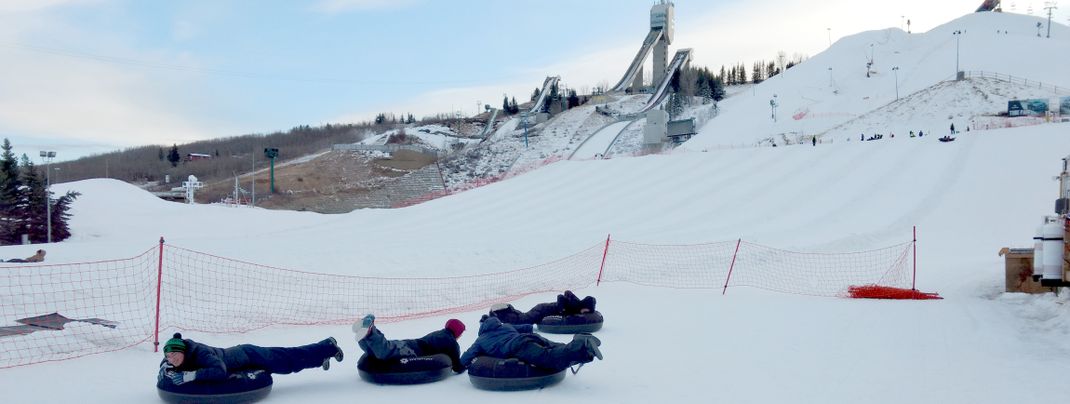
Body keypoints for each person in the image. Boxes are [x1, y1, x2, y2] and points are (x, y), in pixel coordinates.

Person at [158, 332, 344, 385]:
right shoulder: (178, 357)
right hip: (244, 356)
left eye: (174, 354)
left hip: (249, 355)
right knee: (289, 359)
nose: (171, 359)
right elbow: (165, 364)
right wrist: (165, 369)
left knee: (288, 361)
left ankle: (328, 346)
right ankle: (321, 357)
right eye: (168, 356)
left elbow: (219, 370)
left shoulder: (201, 353)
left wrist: (191, 376)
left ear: (182, 351)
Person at [460, 316, 601, 372]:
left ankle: (581, 344)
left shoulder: (481, 340)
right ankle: (583, 347)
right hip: (530, 337)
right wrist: (531, 324)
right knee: (555, 346)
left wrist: (458, 366)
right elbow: (524, 328)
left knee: (548, 357)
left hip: (519, 346)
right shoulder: (506, 326)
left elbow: (468, 355)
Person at [352, 314, 466, 373]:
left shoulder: (439, 333)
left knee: (380, 350)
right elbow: (457, 366)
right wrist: (465, 367)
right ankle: (371, 331)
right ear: (457, 333)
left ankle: (365, 336)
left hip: (411, 343)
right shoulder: (452, 343)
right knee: (385, 352)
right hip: (415, 351)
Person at [488, 290, 596, 325]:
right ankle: (498, 313)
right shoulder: (576, 303)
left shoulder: (577, 305)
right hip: (543, 310)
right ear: (586, 306)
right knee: (523, 320)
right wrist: (562, 310)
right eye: (588, 310)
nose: (586, 312)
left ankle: (508, 309)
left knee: (523, 317)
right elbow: (562, 296)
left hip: (543, 309)